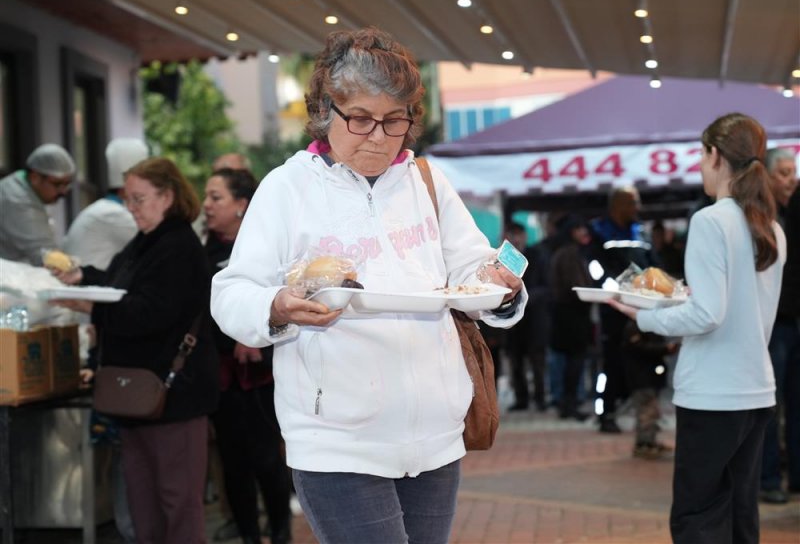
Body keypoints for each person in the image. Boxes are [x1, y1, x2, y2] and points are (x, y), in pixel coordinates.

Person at [210, 27, 525, 544]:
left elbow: (474, 270)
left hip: (435, 438)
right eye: (360, 119)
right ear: (325, 112)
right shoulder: (287, 188)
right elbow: (231, 291)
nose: (378, 136)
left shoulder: (427, 180)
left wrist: (499, 286)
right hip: (337, 440)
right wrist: (277, 306)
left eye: (394, 120)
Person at [609, 113, 786, 543]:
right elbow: (740, 307)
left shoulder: (711, 221)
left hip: (713, 392)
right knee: (741, 515)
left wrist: (644, 315)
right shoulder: (772, 228)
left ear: (714, 155)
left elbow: (708, 315)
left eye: (701, 155)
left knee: (699, 518)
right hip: (755, 389)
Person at [52, 157, 219, 543]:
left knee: (177, 503)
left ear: (168, 196)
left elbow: (150, 312)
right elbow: (118, 284)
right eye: (129, 199)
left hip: (174, 393)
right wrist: (82, 278)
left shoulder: (177, 245)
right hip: (136, 393)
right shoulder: (146, 241)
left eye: (140, 199)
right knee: (144, 504)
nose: (132, 208)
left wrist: (91, 307)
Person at [61, 137, 148, 543]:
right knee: (126, 454)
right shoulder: (119, 218)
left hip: (94, 332)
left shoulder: (100, 211)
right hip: (93, 336)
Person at [204, 168, 292, 544]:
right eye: (206, 197)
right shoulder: (204, 251)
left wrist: (254, 328)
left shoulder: (268, 246)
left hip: (263, 376)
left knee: (268, 461)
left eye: (216, 197)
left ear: (242, 205)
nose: (206, 205)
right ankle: (248, 537)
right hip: (222, 377)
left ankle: (280, 532)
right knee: (233, 466)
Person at [590, 185, 650, 433]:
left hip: (642, 309)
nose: (638, 208)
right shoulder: (599, 232)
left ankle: (643, 417)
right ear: (618, 205)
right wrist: (615, 289)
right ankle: (605, 414)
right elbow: (594, 267)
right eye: (633, 202)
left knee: (641, 363)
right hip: (613, 311)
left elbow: (651, 265)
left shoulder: (639, 231)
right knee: (611, 364)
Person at [760, 147, 799, 504]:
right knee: (770, 405)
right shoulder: (761, 219)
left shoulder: (794, 212)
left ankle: (795, 477)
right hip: (774, 325)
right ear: (768, 176)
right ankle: (769, 478)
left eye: (793, 171)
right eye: (784, 172)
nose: (791, 179)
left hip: (794, 321)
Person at [62, 138, 149, 269]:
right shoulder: (114, 215)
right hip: (89, 285)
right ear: (127, 190)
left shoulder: (102, 209)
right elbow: (155, 242)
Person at [549, 214, 594, 421]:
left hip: (568, 314)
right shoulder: (569, 254)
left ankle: (568, 404)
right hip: (571, 315)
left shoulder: (568, 252)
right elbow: (574, 287)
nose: (583, 232)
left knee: (570, 362)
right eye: (578, 229)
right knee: (574, 362)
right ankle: (569, 404)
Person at [0, 143, 75, 264]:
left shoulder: (24, 187)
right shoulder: (16, 200)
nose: (63, 191)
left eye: (67, 184)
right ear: (35, 177)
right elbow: (45, 254)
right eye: (57, 184)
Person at [621, 320, 679, 459]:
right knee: (647, 411)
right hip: (641, 377)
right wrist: (664, 348)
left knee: (650, 411)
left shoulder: (643, 323)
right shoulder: (636, 325)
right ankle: (644, 444)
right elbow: (640, 348)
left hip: (648, 376)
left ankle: (649, 441)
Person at [503, 221, 541, 411]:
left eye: (519, 235)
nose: (516, 239)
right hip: (511, 321)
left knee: (537, 361)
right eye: (512, 235)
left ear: (525, 236)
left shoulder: (536, 255)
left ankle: (540, 399)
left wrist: (527, 297)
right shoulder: (501, 259)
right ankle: (521, 399)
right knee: (516, 362)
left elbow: (546, 285)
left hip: (534, 319)